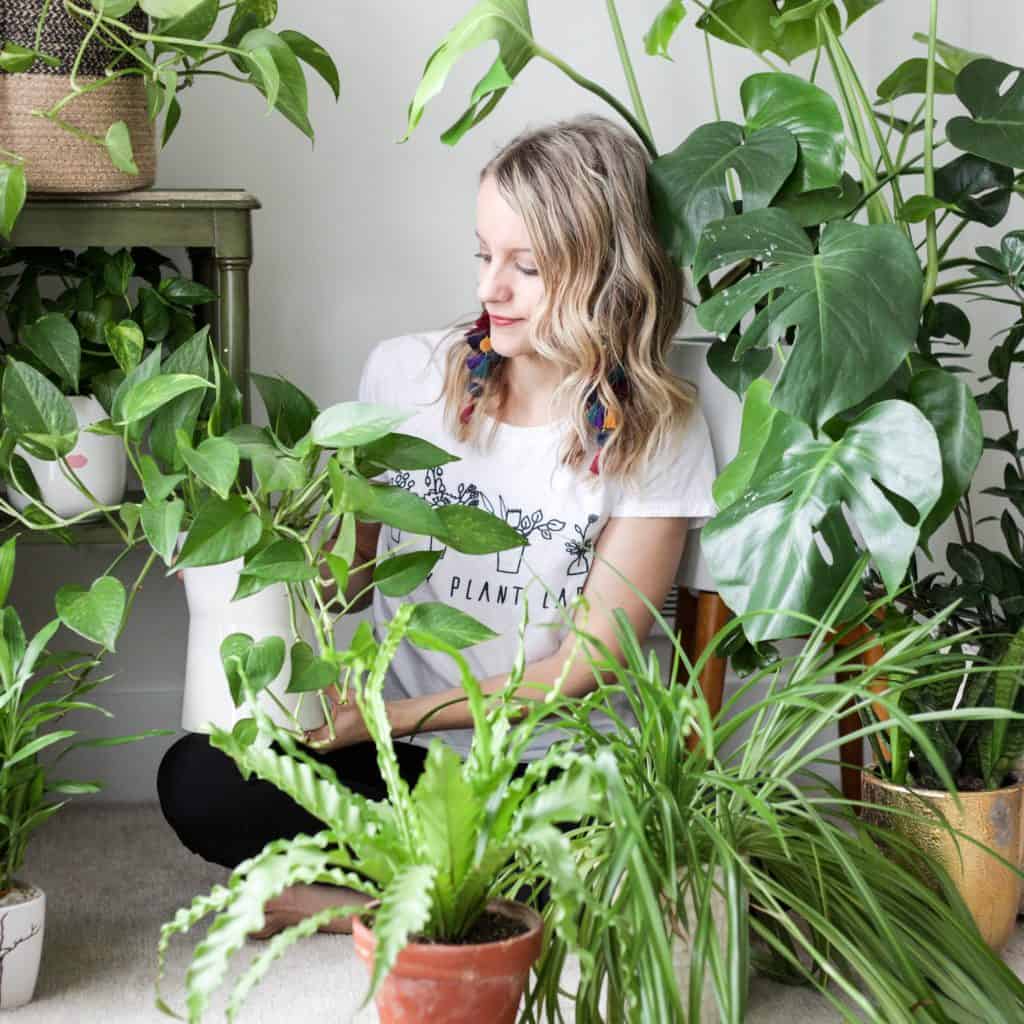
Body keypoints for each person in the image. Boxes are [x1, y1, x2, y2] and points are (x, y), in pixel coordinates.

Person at [157, 113, 717, 938]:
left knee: (596, 850)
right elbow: (346, 575)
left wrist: (383, 718)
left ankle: (361, 906)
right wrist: (239, 574)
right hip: (403, 766)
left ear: (607, 273)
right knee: (198, 777)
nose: (492, 289)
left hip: (545, 772)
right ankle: (462, 908)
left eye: (527, 266)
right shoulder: (408, 375)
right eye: (485, 255)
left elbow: (588, 663)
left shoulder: (656, 429)